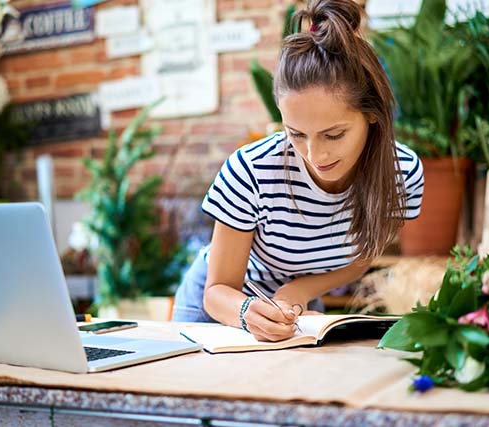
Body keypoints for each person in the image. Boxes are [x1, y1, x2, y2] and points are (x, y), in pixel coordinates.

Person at [172, 0, 424, 342]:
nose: (314, 154)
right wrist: (248, 312)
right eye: (296, 134)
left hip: (296, 310)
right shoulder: (251, 169)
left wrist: (299, 289)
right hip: (219, 311)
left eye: (333, 135)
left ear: (372, 114)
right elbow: (217, 290)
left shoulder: (402, 174)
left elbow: (363, 256)